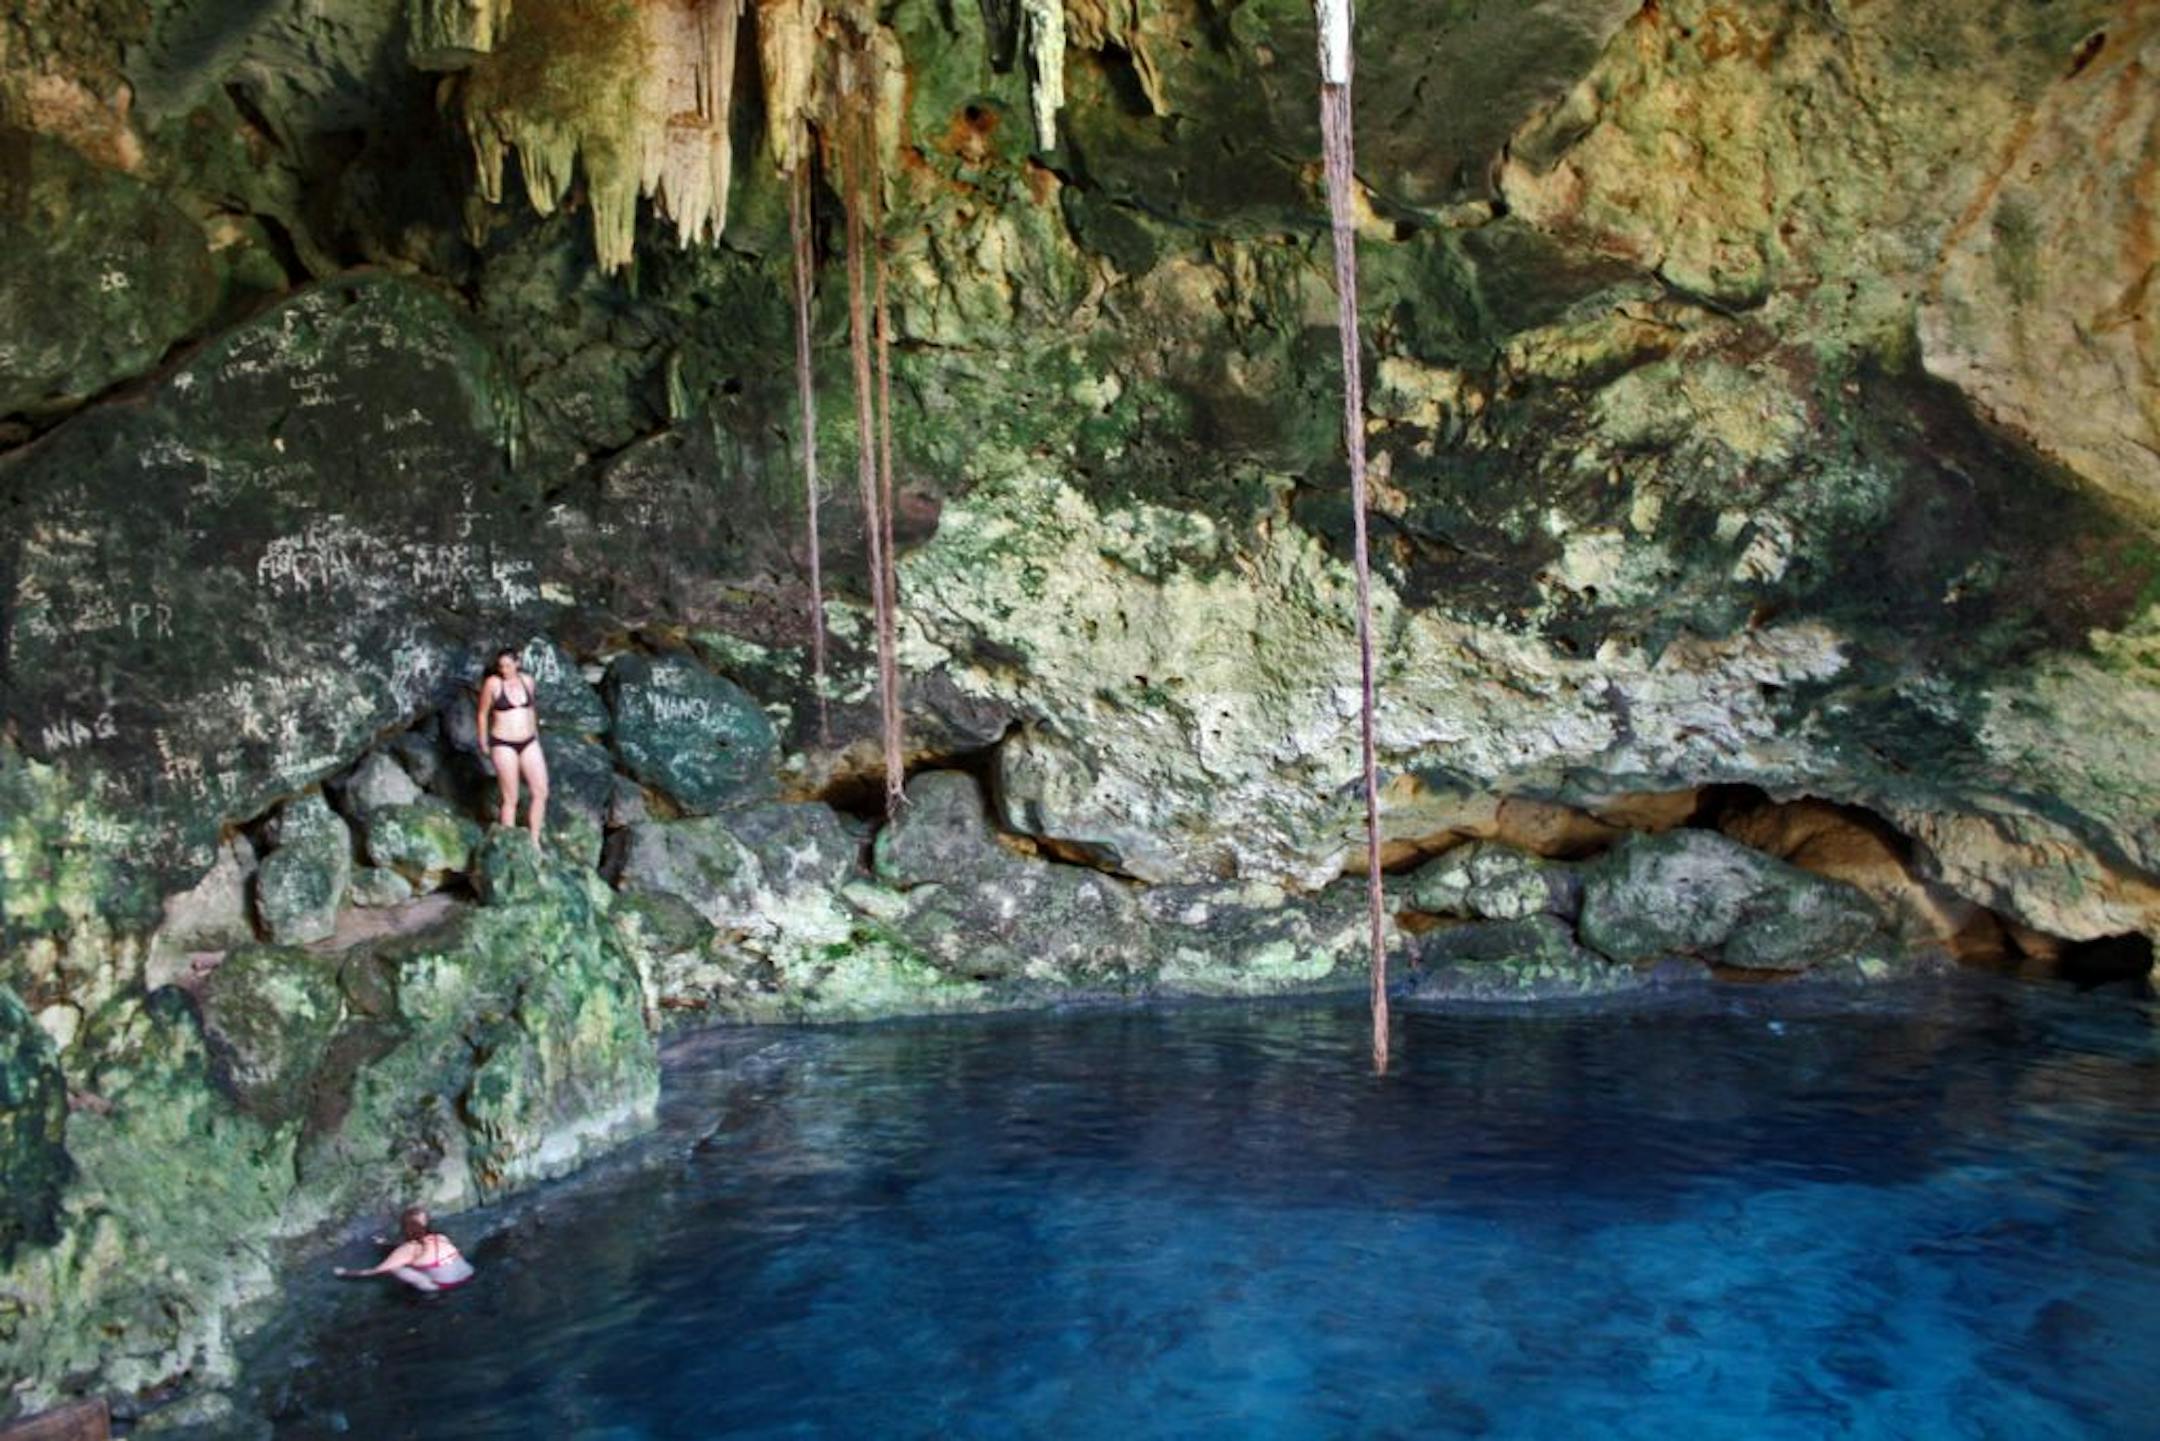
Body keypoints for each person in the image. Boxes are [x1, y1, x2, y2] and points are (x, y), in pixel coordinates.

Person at [476, 647, 549, 844]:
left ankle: (534, 841)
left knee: (540, 791)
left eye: (508, 666)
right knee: (511, 798)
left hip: (529, 741)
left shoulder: (527, 681)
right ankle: (509, 844)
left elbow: (531, 709)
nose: (505, 670)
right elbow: (483, 713)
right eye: (501, 666)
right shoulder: (493, 684)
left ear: (517, 663)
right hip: (503, 743)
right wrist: (483, 741)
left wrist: (535, 736)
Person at [332, 1205, 475, 1293]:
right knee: (424, 1263)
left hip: (445, 1285)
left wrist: (345, 1272)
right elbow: (417, 1249)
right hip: (469, 1273)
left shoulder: (408, 1249)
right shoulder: (440, 1237)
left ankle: (428, 1295)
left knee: (394, 1268)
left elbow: (374, 1271)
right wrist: (387, 1244)